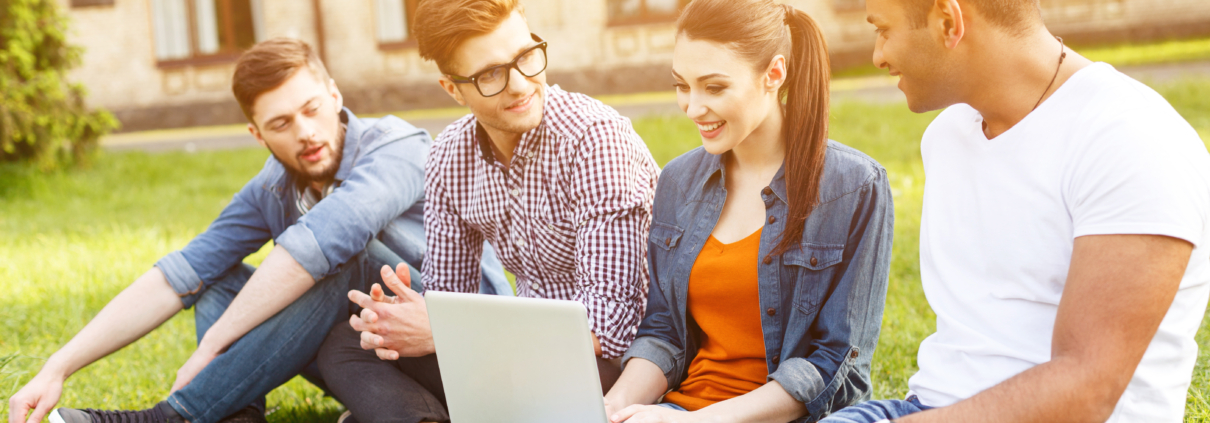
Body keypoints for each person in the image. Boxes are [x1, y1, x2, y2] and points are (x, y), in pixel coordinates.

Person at [6, 38, 508, 423]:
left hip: (467, 347)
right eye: (282, 123)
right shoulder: (271, 190)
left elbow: (330, 238)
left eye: (312, 109)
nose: (306, 132)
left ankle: (177, 416)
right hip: (366, 355)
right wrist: (59, 366)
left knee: (344, 261)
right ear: (257, 133)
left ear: (334, 96)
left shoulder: (398, 146)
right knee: (218, 280)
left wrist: (209, 349)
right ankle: (238, 414)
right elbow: (179, 273)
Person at [820, 0, 1210, 421]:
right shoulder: (948, 137)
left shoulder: (1131, 140)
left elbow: (1087, 390)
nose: (878, 55)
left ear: (948, 22)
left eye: (883, 30)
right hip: (927, 409)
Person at [313, 0, 660, 422]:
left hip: (614, 366)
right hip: (515, 356)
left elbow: (611, 329)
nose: (520, 85)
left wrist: (443, 331)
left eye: (526, 57)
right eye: (491, 74)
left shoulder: (595, 141)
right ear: (453, 89)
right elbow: (447, 295)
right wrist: (421, 320)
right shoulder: (449, 156)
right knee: (350, 343)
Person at [602, 1, 895, 422]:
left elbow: (836, 363)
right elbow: (664, 331)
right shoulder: (678, 181)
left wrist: (698, 421)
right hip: (679, 409)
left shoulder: (854, 186)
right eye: (681, 85)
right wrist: (613, 406)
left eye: (715, 87)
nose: (692, 107)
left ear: (774, 74)